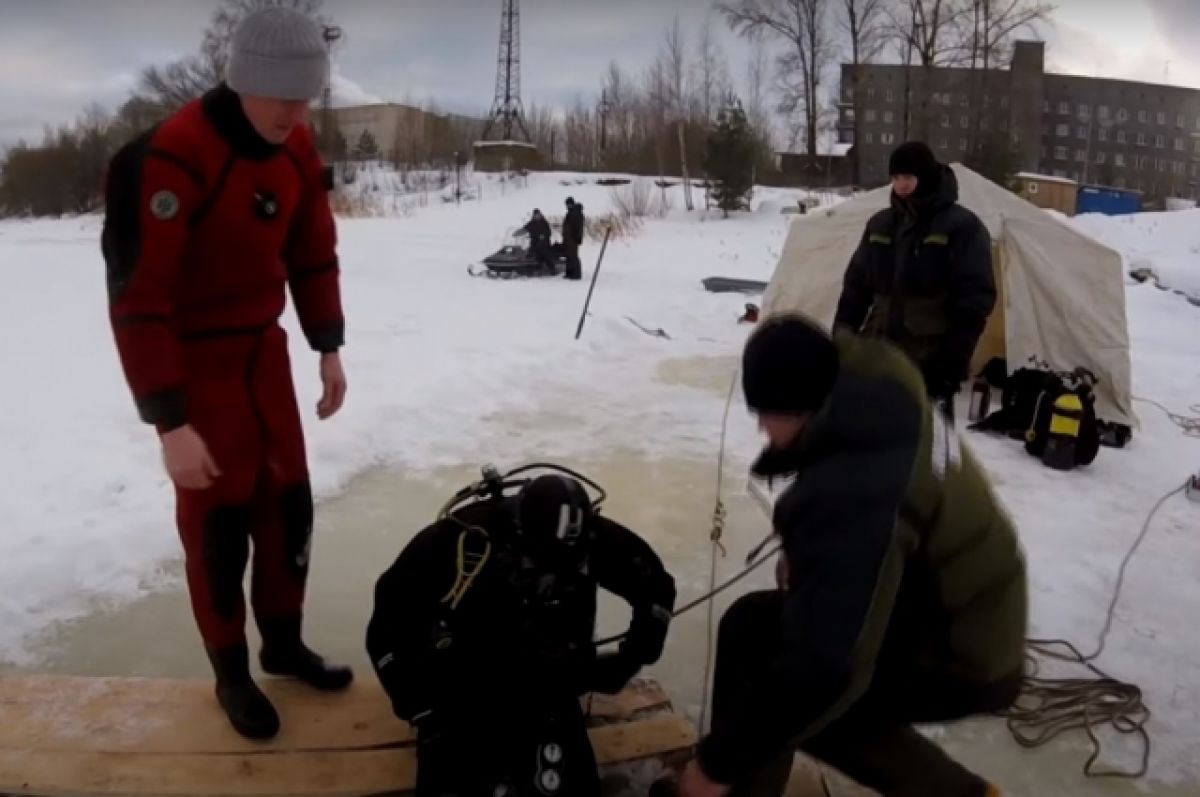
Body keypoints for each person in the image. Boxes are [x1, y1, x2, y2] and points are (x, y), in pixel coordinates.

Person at [100, 7, 351, 740]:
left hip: (262, 352)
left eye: (305, 97)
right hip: (195, 358)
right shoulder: (168, 159)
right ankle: (231, 670)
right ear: (243, 79)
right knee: (218, 524)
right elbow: (136, 300)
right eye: (281, 94)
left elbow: (312, 248)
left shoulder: (296, 145)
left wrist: (327, 344)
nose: (294, 111)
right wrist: (169, 422)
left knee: (288, 503)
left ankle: (282, 641)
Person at [674, 315, 1027, 797]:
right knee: (750, 629)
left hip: (965, 649)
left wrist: (717, 765)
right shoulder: (873, 379)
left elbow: (826, 670)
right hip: (960, 599)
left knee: (812, 699)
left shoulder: (852, 492)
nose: (759, 427)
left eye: (766, 414)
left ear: (800, 409)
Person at [366, 470, 677, 796]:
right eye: (542, 564)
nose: (553, 577)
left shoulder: (590, 539)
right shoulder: (465, 541)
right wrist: (419, 706)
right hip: (465, 686)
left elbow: (655, 587)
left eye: (569, 567)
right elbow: (388, 623)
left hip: (551, 683)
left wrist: (634, 654)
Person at [833, 141, 996, 420]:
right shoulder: (880, 225)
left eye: (908, 177)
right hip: (878, 350)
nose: (901, 184)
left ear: (927, 176)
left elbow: (974, 300)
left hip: (929, 357)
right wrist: (842, 339)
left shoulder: (962, 226)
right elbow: (856, 289)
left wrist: (952, 363)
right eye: (895, 177)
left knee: (921, 448)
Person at [562, 197, 586, 280]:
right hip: (568, 238)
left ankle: (576, 274)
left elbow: (579, 227)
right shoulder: (570, 213)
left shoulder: (576, 213)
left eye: (569, 204)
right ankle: (569, 273)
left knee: (573, 256)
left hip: (573, 239)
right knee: (568, 256)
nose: (567, 206)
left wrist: (578, 237)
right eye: (567, 204)